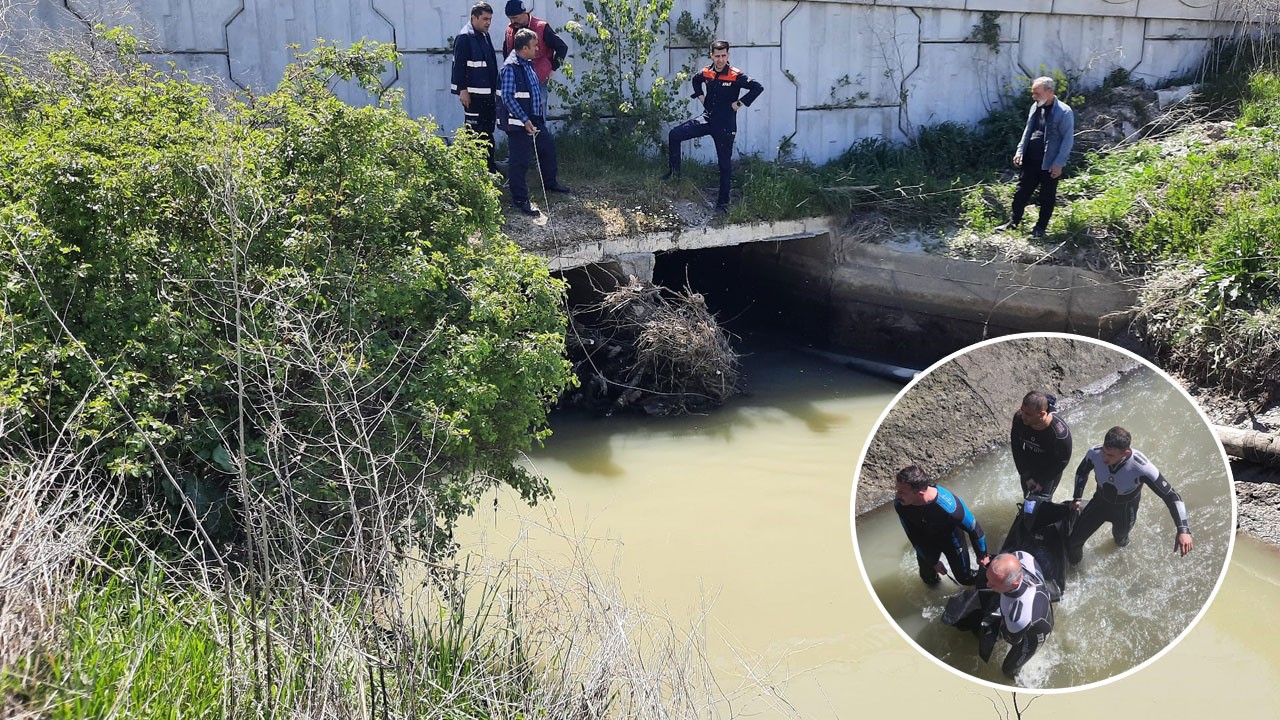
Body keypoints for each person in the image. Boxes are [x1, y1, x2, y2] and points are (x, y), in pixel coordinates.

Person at [664, 40, 764, 214]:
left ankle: (723, 204)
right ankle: (674, 175)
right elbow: (696, 80)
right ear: (711, 55)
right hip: (707, 119)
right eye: (717, 56)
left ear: (728, 55)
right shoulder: (706, 72)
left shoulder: (735, 75)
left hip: (725, 124)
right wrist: (701, 97)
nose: (720, 60)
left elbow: (757, 88)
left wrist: (738, 104)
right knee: (675, 135)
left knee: (724, 165)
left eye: (723, 56)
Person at [1067, 426, 1193, 565]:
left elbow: (1171, 496)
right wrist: (1076, 498)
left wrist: (1183, 530)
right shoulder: (1094, 453)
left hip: (1125, 511)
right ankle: (1074, 571)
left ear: (1125, 453)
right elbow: (1081, 472)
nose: (1104, 458)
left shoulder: (1141, 467)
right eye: (1104, 451)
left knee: (1120, 541)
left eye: (1110, 455)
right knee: (1073, 543)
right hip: (1100, 503)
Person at [499, 28, 572, 216]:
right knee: (519, 161)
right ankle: (520, 199)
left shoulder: (527, 63)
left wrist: (535, 118)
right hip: (518, 122)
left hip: (533, 119)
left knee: (547, 148)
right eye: (534, 45)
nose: (538, 48)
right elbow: (507, 98)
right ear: (524, 48)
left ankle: (550, 183)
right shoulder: (511, 67)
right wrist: (524, 120)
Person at [893, 465, 990, 587]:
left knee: (966, 579)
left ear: (920, 493)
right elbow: (913, 535)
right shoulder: (900, 505)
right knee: (928, 579)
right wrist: (933, 561)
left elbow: (975, 530)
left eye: (901, 492)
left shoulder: (950, 507)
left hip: (951, 541)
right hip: (926, 541)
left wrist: (982, 556)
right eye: (897, 490)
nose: (897, 496)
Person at [1004, 76, 1074, 238]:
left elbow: (1068, 139)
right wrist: (1020, 150)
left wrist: (1059, 163)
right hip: (1030, 160)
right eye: (1033, 93)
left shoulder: (1064, 112)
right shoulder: (1035, 107)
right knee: (1021, 192)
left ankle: (1040, 228)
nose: (1034, 96)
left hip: (1049, 163)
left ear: (1049, 92)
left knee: (1047, 196)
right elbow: (1027, 131)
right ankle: (1013, 222)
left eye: (1037, 93)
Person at [986, 552, 1054, 679]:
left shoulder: (1017, 618)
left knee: (1008, 669)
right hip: (1039, 597)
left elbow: (1011, 639)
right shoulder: (1023, 556)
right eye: (988, 578)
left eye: (993, 584)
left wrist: (1002, 625)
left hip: (1037, 631)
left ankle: (1020, 686)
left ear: (1013, 584)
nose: (988, 585)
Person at [452, 2, 500, 172]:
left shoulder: (484, 36)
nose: (488, 22)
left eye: (490, 19)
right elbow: (458, 66)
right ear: (474, 18)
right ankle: (473, 171)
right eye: (485, 19)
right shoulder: (465, 37)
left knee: (488, 132)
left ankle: (489, 168)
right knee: (474, 134)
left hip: (487, 95)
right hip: (473, 97)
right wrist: (462, 90)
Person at [1010, 390, 1072, 498]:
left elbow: (1062, 461)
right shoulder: (1019, 419)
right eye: (1022, 410)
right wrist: (1026, 476)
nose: (1023, 416)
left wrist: (1042, 482)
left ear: (1042, 414)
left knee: (1042, 503)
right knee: (1028, 499)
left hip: (1050, 470)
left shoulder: (1059, 434)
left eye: (1028, 414)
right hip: (1029, 465)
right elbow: (1016, 448)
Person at [501, 0, 568, 95]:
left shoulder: (541, 27)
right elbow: (506, 51)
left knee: (539, 108)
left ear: (524, 13)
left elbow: (562, 47)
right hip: (517, 81)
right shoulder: (510, 29)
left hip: (538, 79)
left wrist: (552, 68)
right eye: (510, 18)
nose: (512, 21)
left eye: (515, 18)